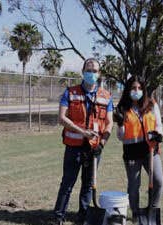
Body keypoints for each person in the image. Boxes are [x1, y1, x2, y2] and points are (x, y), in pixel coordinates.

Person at [53, 58, 114, 225]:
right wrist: (83, 132)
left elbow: (109, 123)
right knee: (68, 182)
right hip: (74, 148)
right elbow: (62, 118)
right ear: (83, 71)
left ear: (99, 73)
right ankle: (59, 216)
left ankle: (83, 217)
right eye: (89, 70)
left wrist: (102, 144)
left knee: (88, 185)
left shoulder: (106, 96)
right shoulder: (70, 92)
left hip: (94, 148)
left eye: (95, 71)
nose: (92, 73)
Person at [114, 77, 163, 222]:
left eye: (139, 88)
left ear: (143, 89)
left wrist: (159, 135)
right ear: (128, 90)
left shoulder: (152, 104)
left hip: (150, 151)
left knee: (159, 181)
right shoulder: (122, 107)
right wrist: (120, 124)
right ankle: (135, 212)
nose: (137, 91)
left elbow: (159, 125)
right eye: (133, 88)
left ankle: (152, 209)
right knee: (134, 186)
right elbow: (121, 137)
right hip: (132, 153)